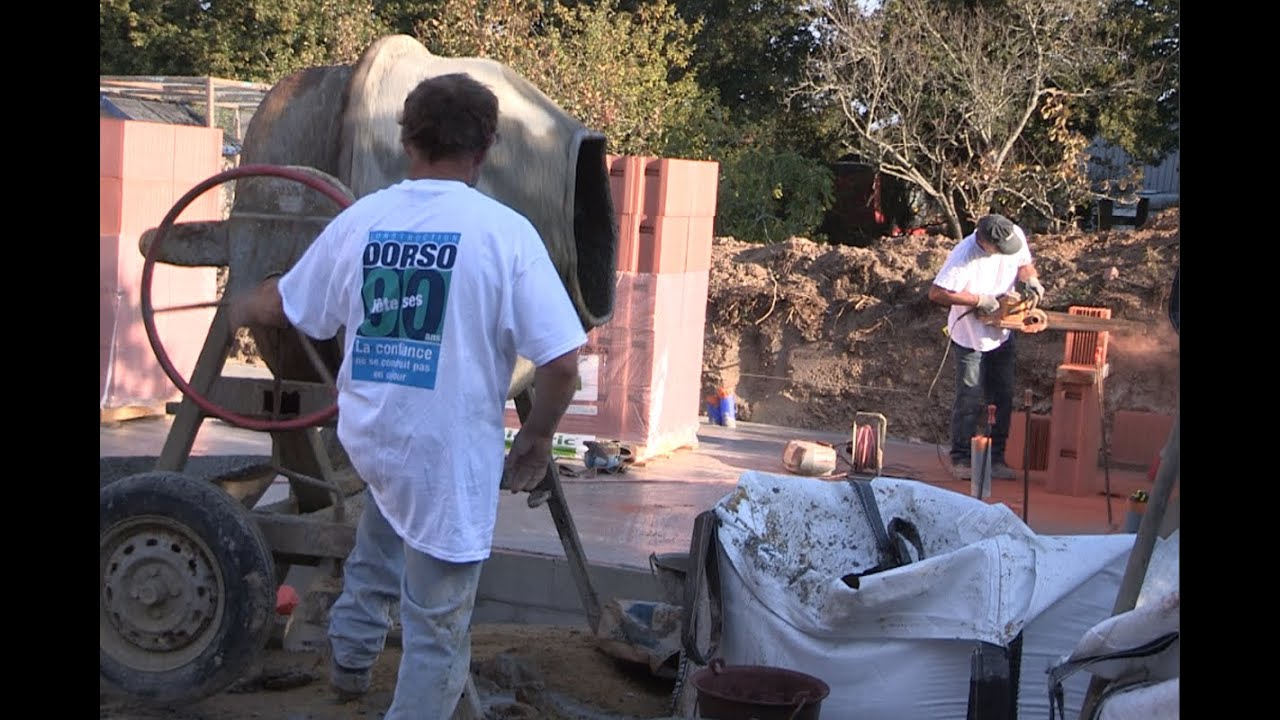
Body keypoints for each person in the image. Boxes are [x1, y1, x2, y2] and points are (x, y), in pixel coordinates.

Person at [228, 72, 587, 718]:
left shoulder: (364, 219)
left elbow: (288, 303)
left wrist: (241, 301)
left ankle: (348, 660)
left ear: (406, 141)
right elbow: (562, 362)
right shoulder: (505, 236)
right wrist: (534, 441)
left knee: (387, 524)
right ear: (485, 148)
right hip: (444, 452)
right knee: (437, 633)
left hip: (374, 438)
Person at [928, 213, 1044, 481]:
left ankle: (996, 458)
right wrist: (977, 299)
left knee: (1002, 395)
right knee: (969, 396)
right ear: (985, 243)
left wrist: (1031, 280)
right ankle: (961, 458)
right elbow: (937, 293)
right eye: (999, 250)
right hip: (969, 337)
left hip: (1003, 332)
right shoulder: (964, 256)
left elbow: (1024, 264)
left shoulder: (1011, 233)